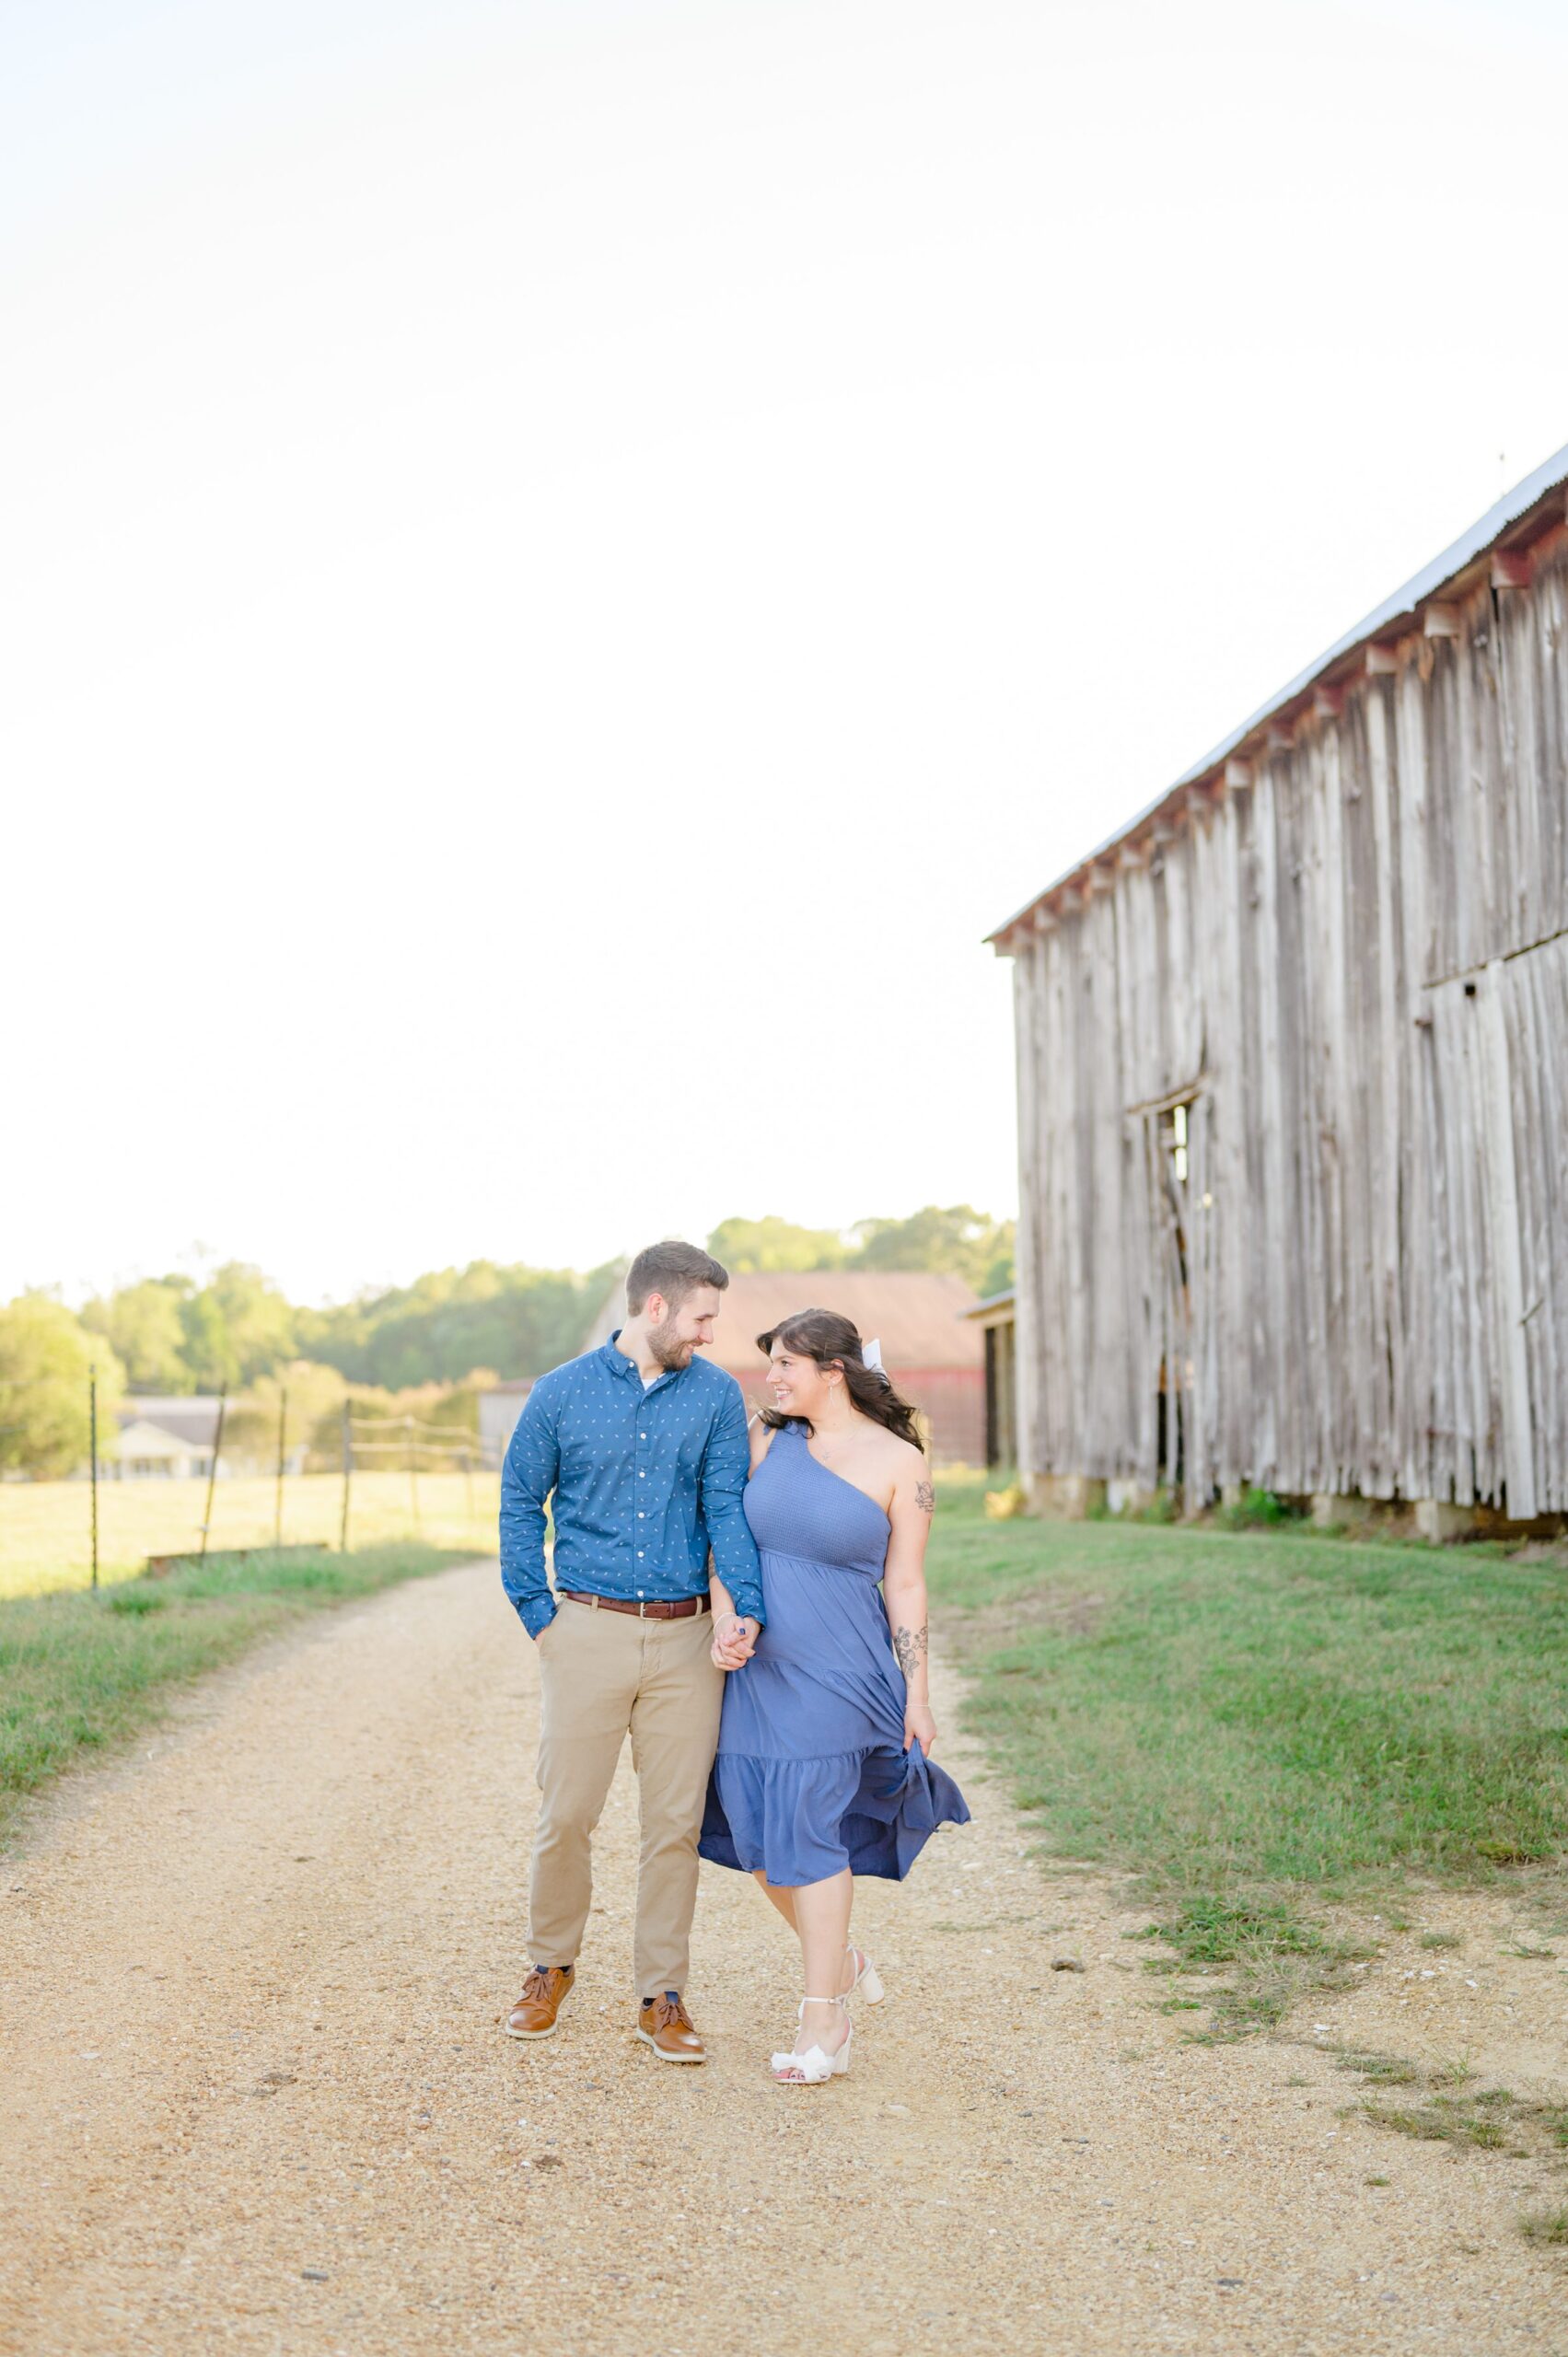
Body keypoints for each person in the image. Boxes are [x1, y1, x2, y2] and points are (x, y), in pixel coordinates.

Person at [498, 1240, 764, 2064]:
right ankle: (550, 1968)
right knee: (566, 1815)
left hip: (687, 1640)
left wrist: (742, 1609)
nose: (711, 1335)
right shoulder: (559, 1394)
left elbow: (727, 1505)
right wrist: (539, 1613)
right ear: (656, 1307)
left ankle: (662, 1995)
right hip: (585, 1629)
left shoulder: (717, 1398)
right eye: (702, 1317)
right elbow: (518, 1500)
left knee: (672, 1827)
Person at [700, 1308, 970, 2084]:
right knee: (755, 1832)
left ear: (834, 1371)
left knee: (808, 1826)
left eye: (787, 1364)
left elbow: (908, 1582)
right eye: (770, 1364)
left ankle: (823, 2020)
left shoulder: (899, 1463)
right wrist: (725, 1614)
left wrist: (918, 1692)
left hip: (841, 1673)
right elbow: (727, 1538)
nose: (771, 1378)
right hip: (754, 1674)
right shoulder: (763, 1440)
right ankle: (839, 1961)